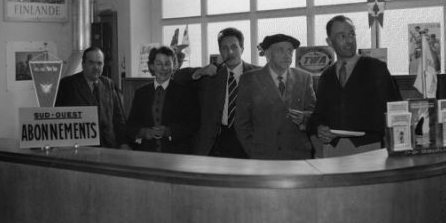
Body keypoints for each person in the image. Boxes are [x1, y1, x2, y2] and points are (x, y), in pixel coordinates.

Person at [308, 15, 401, 156]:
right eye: (342, 36)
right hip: (333, 150)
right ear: (330, 42)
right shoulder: (326, 76)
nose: (349, 40)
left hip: (370, 148)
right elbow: (318, 114)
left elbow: (394, 109)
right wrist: (319, 128)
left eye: (352, 34)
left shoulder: (376, 68)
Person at [174, 27, 258, 158]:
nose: (230, 52)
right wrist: (200, 71)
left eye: (234, 47)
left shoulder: (257, 74)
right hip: (217, 141)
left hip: (249, 142)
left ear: (242, 49)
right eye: (224, 48)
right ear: (220, 52)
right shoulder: (211, 75)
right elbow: (178, 77)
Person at [235, 33, 316, 160]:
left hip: (297, 156)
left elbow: (315, 114)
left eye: (290, 51)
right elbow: (241, 123)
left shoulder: (304, 78)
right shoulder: (249, 80)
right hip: (264, 156)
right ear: (268, 54)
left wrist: (304, 118)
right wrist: (253, 151)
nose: (287, 55)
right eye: (280, 50)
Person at [127, 46, 198, 154]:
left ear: (173, 66)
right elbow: (132, 124)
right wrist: (144, 132)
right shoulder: (140, 93)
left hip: (177, 154)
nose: (163, 68)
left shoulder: (185, 92)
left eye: (167, 63)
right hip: (146, 154)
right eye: (159, 64)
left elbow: (193, 123)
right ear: (152, 66)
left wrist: (168, 131)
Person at [55, 46, 128, 149]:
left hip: (109, 147)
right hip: (81, 148)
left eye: (99, 63)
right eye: (91, 63)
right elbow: (59, 119)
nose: (96, 67)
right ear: (83, 64)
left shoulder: (108, 84)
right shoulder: (68, 85)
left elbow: (118, 118)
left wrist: (124, 143)